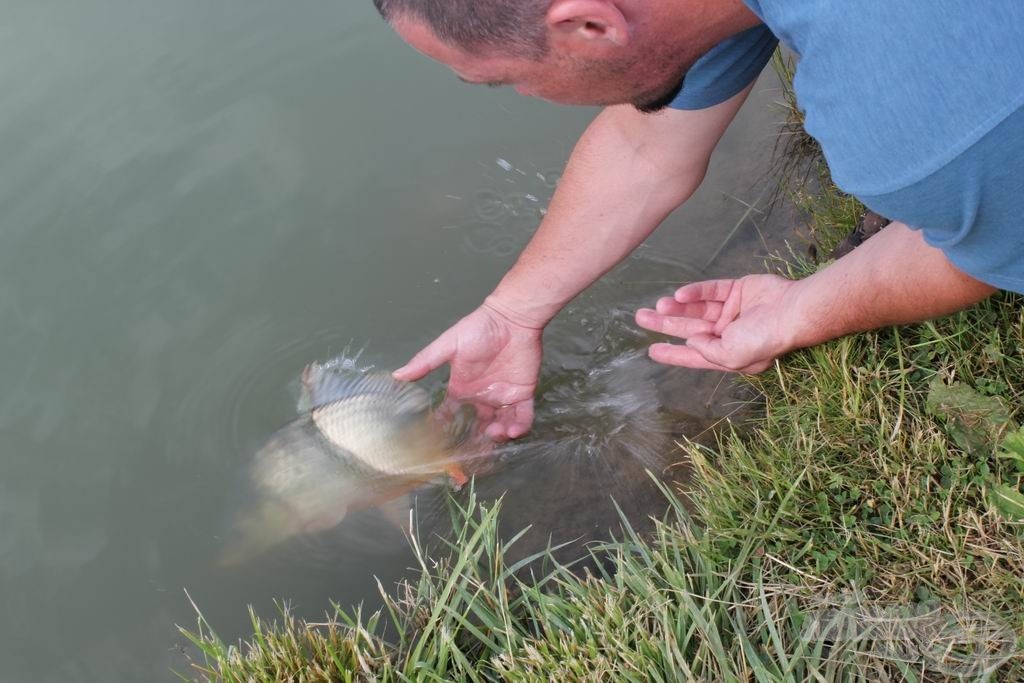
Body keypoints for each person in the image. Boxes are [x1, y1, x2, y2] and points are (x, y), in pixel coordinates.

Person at [372, 0, 1024, 441]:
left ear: (591, 27)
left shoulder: (926, 119)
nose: (523, 96)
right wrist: (512, 312)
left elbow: (969, 250)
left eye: (505, 79)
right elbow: (647, 147)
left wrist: (800, 312)